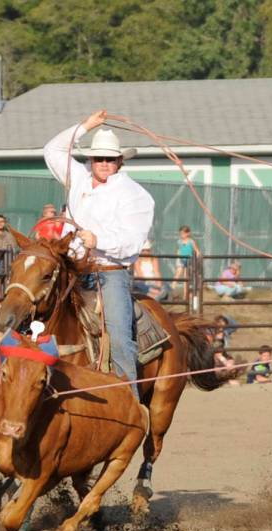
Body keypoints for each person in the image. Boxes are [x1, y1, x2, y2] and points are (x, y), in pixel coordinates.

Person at [43, 108, 164, 384]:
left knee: (120, 341)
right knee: (25, 311)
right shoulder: (79, 177)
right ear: (92, 159)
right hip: (70, 268)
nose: (104, 163)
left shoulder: (135, 195)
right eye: (99, 158)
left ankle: (129, 406)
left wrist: (98, 240)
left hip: (109, 273)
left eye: (110, 159)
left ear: (119, 161)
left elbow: (132, 241)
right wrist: (86, 125)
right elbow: (52, 150)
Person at [174, 225, 201, 297]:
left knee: (186, 277)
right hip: (181, 259)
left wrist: (198, 258)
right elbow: (179, 250)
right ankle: (171, 290)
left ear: (188, 233)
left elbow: (196, 250)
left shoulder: (191, 242)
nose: (181, 235)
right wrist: (178, 256)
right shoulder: (179, 241)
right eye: (180, 234)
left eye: (183, 233)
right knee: (178, 273)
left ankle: (185, 294)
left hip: (189, 260)